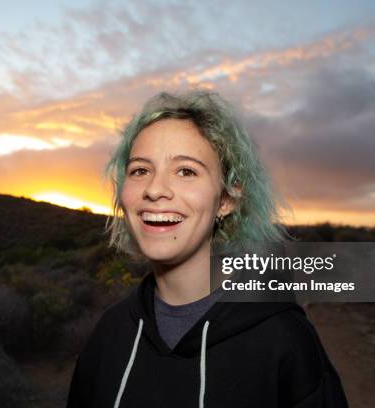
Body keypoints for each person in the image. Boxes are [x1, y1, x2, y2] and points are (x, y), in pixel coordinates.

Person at [67, 91, 348, 407]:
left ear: (226, 201)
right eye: (140, 170)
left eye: (186, 170)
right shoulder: (108, 335)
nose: (155, 189)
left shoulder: (284, 340)